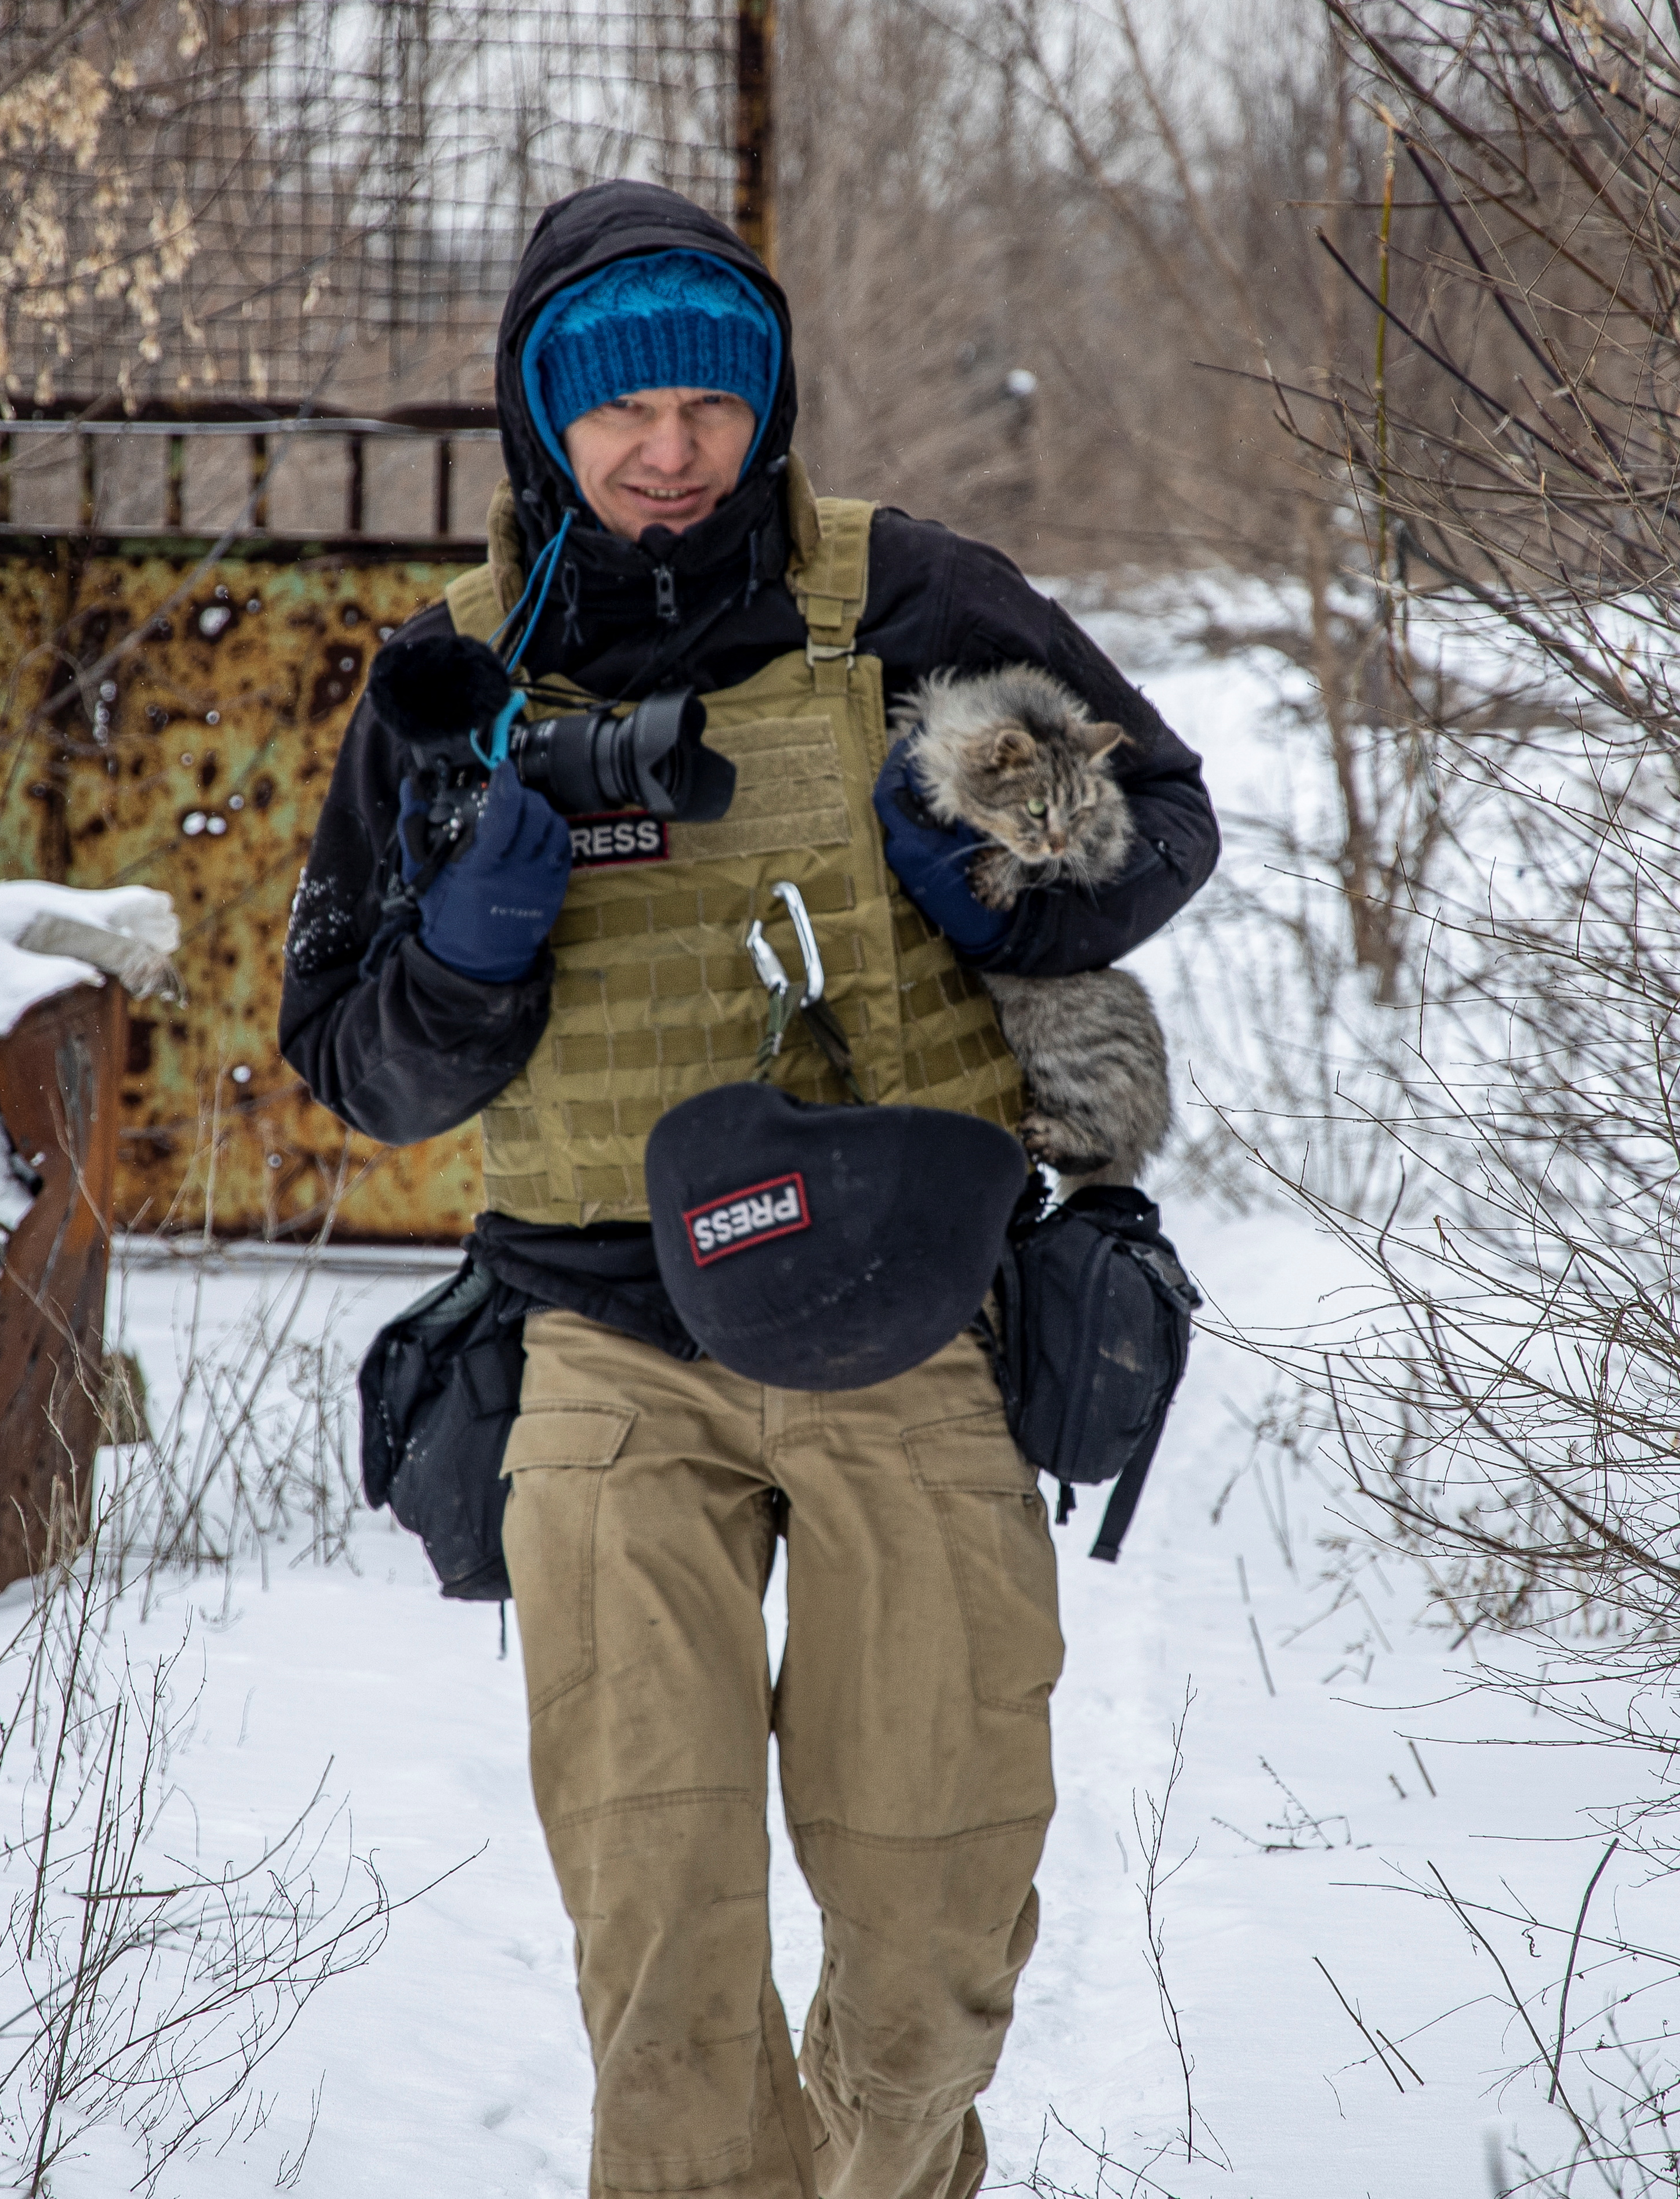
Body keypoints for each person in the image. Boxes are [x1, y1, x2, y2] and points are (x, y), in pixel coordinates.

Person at [278, 181, 1217, 2199]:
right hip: (603, 1345)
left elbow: (1163, 821)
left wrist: (990, 868)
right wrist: (465, 955)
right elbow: (350, 1057)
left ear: (767, 401)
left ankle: (886, 2167)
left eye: (713, 398)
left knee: (935, 1937)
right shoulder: (449, 674)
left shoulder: (913, 596)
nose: (670, 444)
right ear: (543, 420)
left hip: (911, 1325)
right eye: (620, 408)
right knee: (665, 1953)